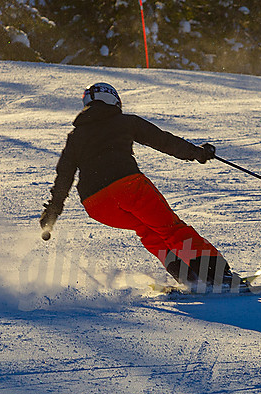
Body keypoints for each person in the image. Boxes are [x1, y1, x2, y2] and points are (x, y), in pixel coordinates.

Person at [40, 82, 239, 290]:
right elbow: (163, 141)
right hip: (127, 188)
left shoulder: (76, 136)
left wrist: (52, 213)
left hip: (96, 204)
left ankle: (189, 277)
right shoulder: (124, 122)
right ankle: (216, 276)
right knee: (170, 229)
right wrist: (197, 153)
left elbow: (64, 176)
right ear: (114, 99)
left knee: (148, 230)